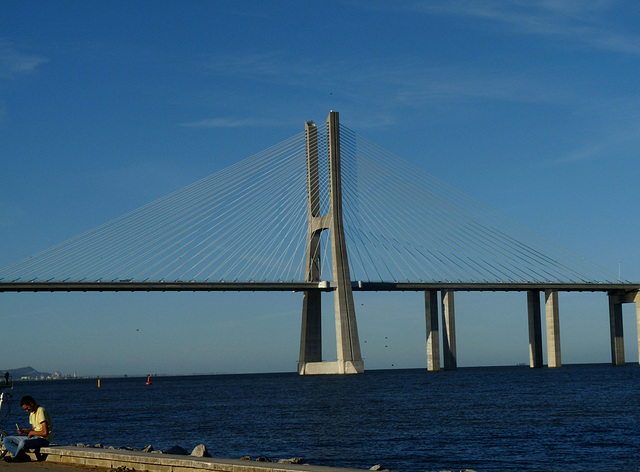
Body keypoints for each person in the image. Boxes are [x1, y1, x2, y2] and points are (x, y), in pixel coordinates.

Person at [1, 395, 53, 462]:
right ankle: (23, 456)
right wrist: (25, 431)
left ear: (31, 403)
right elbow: (34, 430)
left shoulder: (41, 411)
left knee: (23, 442)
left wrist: (31, 433)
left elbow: (45, 433)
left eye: (27, 408)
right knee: (6, 440)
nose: (27, 410)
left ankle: (14, 457)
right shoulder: (32, 414)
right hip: (34, 438)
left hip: (43, 440)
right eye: (25, 409)